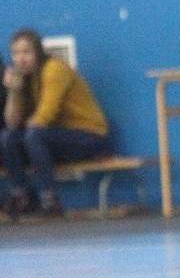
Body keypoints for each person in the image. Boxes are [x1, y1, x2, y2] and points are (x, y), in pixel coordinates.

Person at [2, 29, 112, 220]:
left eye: (26, 52)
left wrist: (26, 125)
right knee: (7, 137)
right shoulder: (25, 78)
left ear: (38, 52)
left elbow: (44, 118)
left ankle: (50, 201)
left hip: (89, 136)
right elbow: (12, 124)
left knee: (34, 135)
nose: (21, 59)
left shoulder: (54, 69)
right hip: (52, 138)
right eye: (16, 53)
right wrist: (13, 91)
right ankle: (21, 198)